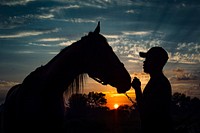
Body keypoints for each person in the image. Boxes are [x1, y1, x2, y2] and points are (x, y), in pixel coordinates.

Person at [131, 47, 173, 133]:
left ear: (155, 62)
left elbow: (145, 112)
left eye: (148, 59)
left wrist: (138, 89)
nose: (144, 62)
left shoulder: (159, 84)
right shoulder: (157, 81)